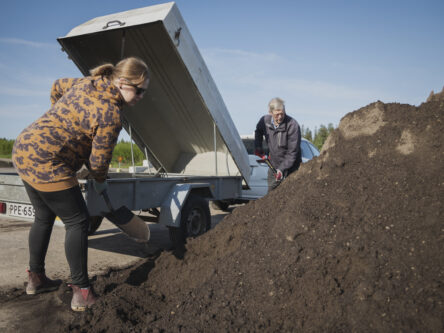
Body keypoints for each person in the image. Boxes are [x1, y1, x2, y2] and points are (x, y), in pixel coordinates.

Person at [12, 56, 149, 311]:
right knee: (78, 221)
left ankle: (36, 279)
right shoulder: (111, 115)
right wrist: (99, 181)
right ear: (121, 82)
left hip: (24, 149)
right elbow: (98, 163)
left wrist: (60, 116)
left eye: (144, 92)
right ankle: (82, 292)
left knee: (43, 216)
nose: (141, 96)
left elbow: (56, 85)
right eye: (138, 90)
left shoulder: (89, 83)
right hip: (48, 163)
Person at [254, 97, 302, 191]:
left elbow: (292, 153)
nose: (280, 117)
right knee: (272, 197)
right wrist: (258, 147)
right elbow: (258, 132)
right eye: (277, 114)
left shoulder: (292, 125)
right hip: (274, 166)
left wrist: (282, 169)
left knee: (291, 196)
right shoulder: (265, 121)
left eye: (282, 114)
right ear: (270, 112)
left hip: (291, 168)